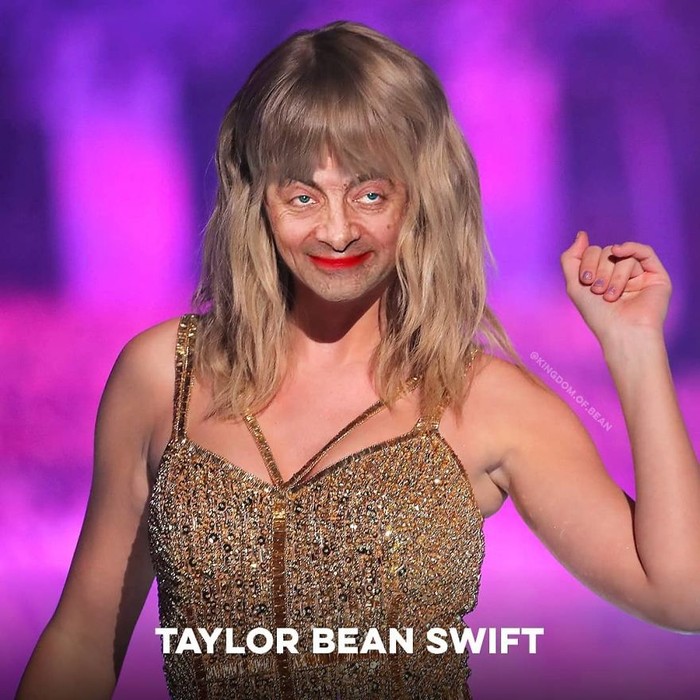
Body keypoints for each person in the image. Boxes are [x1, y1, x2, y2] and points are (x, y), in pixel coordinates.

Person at [17, 19, 700, 700]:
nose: (338, 230)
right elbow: (82, 642)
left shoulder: (484, 401)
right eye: (303, 196)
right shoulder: (162, 376)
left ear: (420, 198)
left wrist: (635, 350)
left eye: (370, 194)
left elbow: (682, 595)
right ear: (256, 199)